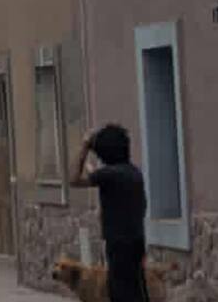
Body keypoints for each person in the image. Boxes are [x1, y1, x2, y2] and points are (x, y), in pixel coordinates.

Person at [69, 124, 148, 302]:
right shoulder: (133, 172)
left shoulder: (109, 175)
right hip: (136, 240)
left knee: (120, 291)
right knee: (137, 289)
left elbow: (74, 180)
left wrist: (84, 147)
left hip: (118, 243)